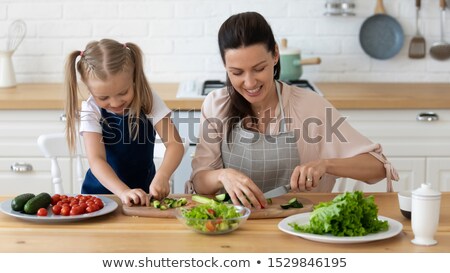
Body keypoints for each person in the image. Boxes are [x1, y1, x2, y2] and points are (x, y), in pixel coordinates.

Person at [187, 12, 398, 209]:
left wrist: (325, 165)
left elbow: (377, 167)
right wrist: (222, 176)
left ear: (275, 55)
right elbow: (200, 180)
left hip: (298, 224)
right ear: (225, 67)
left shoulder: (309, 106)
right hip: (231, 224)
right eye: (237, 72)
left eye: (259, 68)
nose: (250, 82)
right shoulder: (217, 105)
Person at [65, 39, 184, 206]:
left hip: (142, 195)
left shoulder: (147, 99)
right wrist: (123, 191)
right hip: (100, 198)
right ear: (89, 89)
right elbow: (96, 160)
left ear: (134, 78)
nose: (115, 103)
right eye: (103, 97)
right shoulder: (91, 109)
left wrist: (163, 176)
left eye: (123, 92)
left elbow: (174, 144)